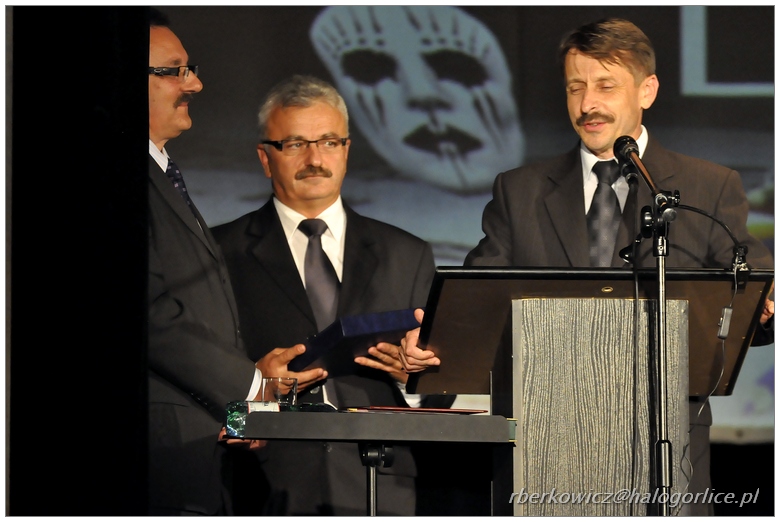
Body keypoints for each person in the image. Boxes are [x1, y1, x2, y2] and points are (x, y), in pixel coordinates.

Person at [399, 17, 774, 516]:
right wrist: (433, 345)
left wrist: (763, 307)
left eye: (605, 86)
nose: (587, 104)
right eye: (575, 87)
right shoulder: (520, 190)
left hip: (665, 450)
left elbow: (752, 291)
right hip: (542, 449)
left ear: (647, 90)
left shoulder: (708, 187)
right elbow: (477, 303)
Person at [212, 74, 445, 516]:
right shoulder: (219, 252)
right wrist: (245, 399)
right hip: (262, 484)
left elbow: (440, 391)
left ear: (347, 150)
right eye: (295, 144)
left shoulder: (407, 252)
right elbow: (199, 373)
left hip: (381, 484)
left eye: (329, 142)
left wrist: (411, 378)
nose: (315, 159)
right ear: (265, 158)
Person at [147, 11, 325, 515]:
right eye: (174, 71)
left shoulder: (165, 176)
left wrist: (244, 411)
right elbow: (152, 315)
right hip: (164, 453)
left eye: (191, 69)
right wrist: (251, 387)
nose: (195, 84)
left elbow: (202, 324)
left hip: (205, 446)